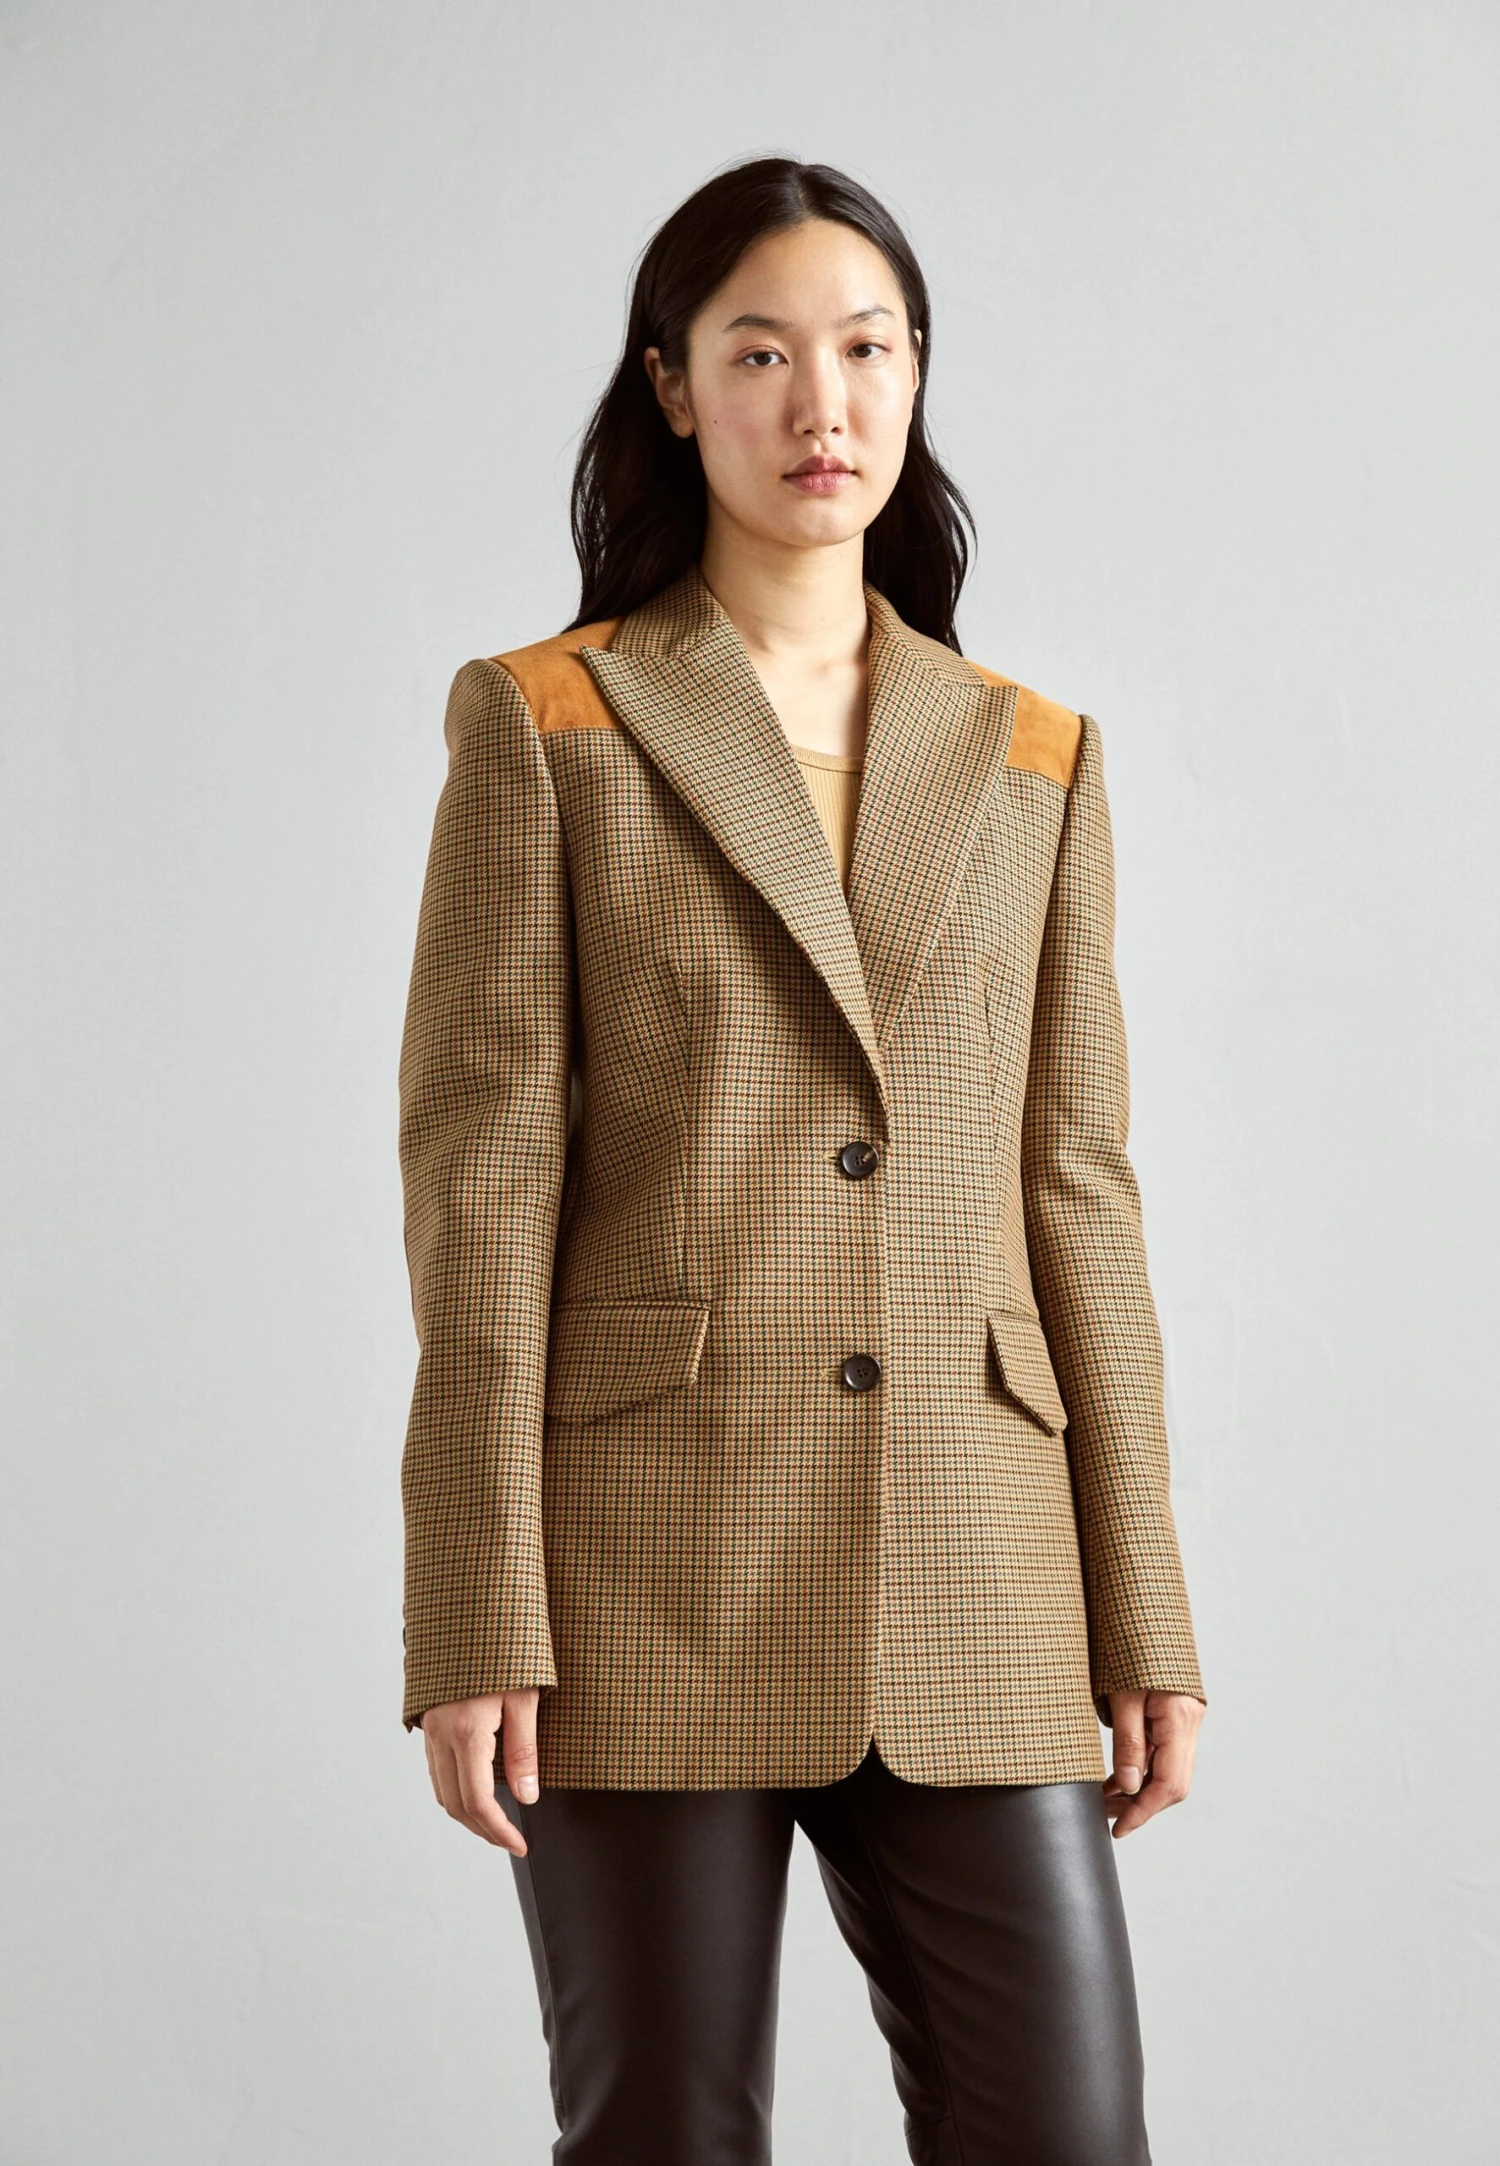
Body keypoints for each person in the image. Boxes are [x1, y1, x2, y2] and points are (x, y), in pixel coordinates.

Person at [396, 155, 1207, 2165]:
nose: (821, 403)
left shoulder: (1031, 754)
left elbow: (1077, 1190)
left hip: (978, 1557)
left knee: (1069, 2133)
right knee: (662, 2134)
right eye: (760, 355)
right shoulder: (552, 723)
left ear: (918, 376)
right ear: (674, 387)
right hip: (641, 1564)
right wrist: (475, 1611)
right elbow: (481, 1189)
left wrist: (1145, 1606)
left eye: (867, 350)